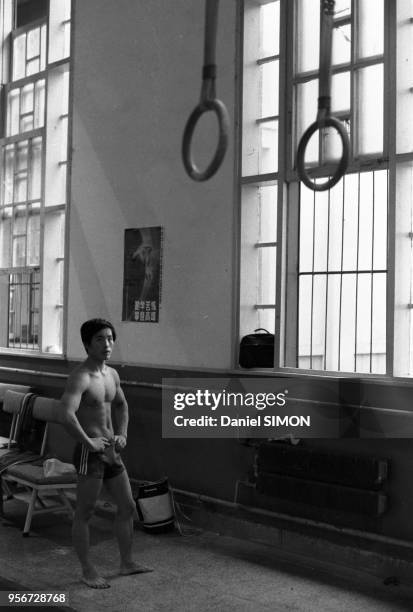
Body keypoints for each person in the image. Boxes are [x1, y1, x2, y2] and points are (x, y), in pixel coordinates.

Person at [60, 318, 141, 589]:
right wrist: (88, 442)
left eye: (110, 338)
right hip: (90, 453)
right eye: (100, 339)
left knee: (128, 506)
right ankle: (87, 570)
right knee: (85, 511)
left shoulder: (112, 375)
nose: (107, 344)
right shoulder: (80, 377)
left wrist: (123, 434)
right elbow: (66, 414)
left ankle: (126, 563)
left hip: (111, 452)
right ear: (86, 344)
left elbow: (122, 405)